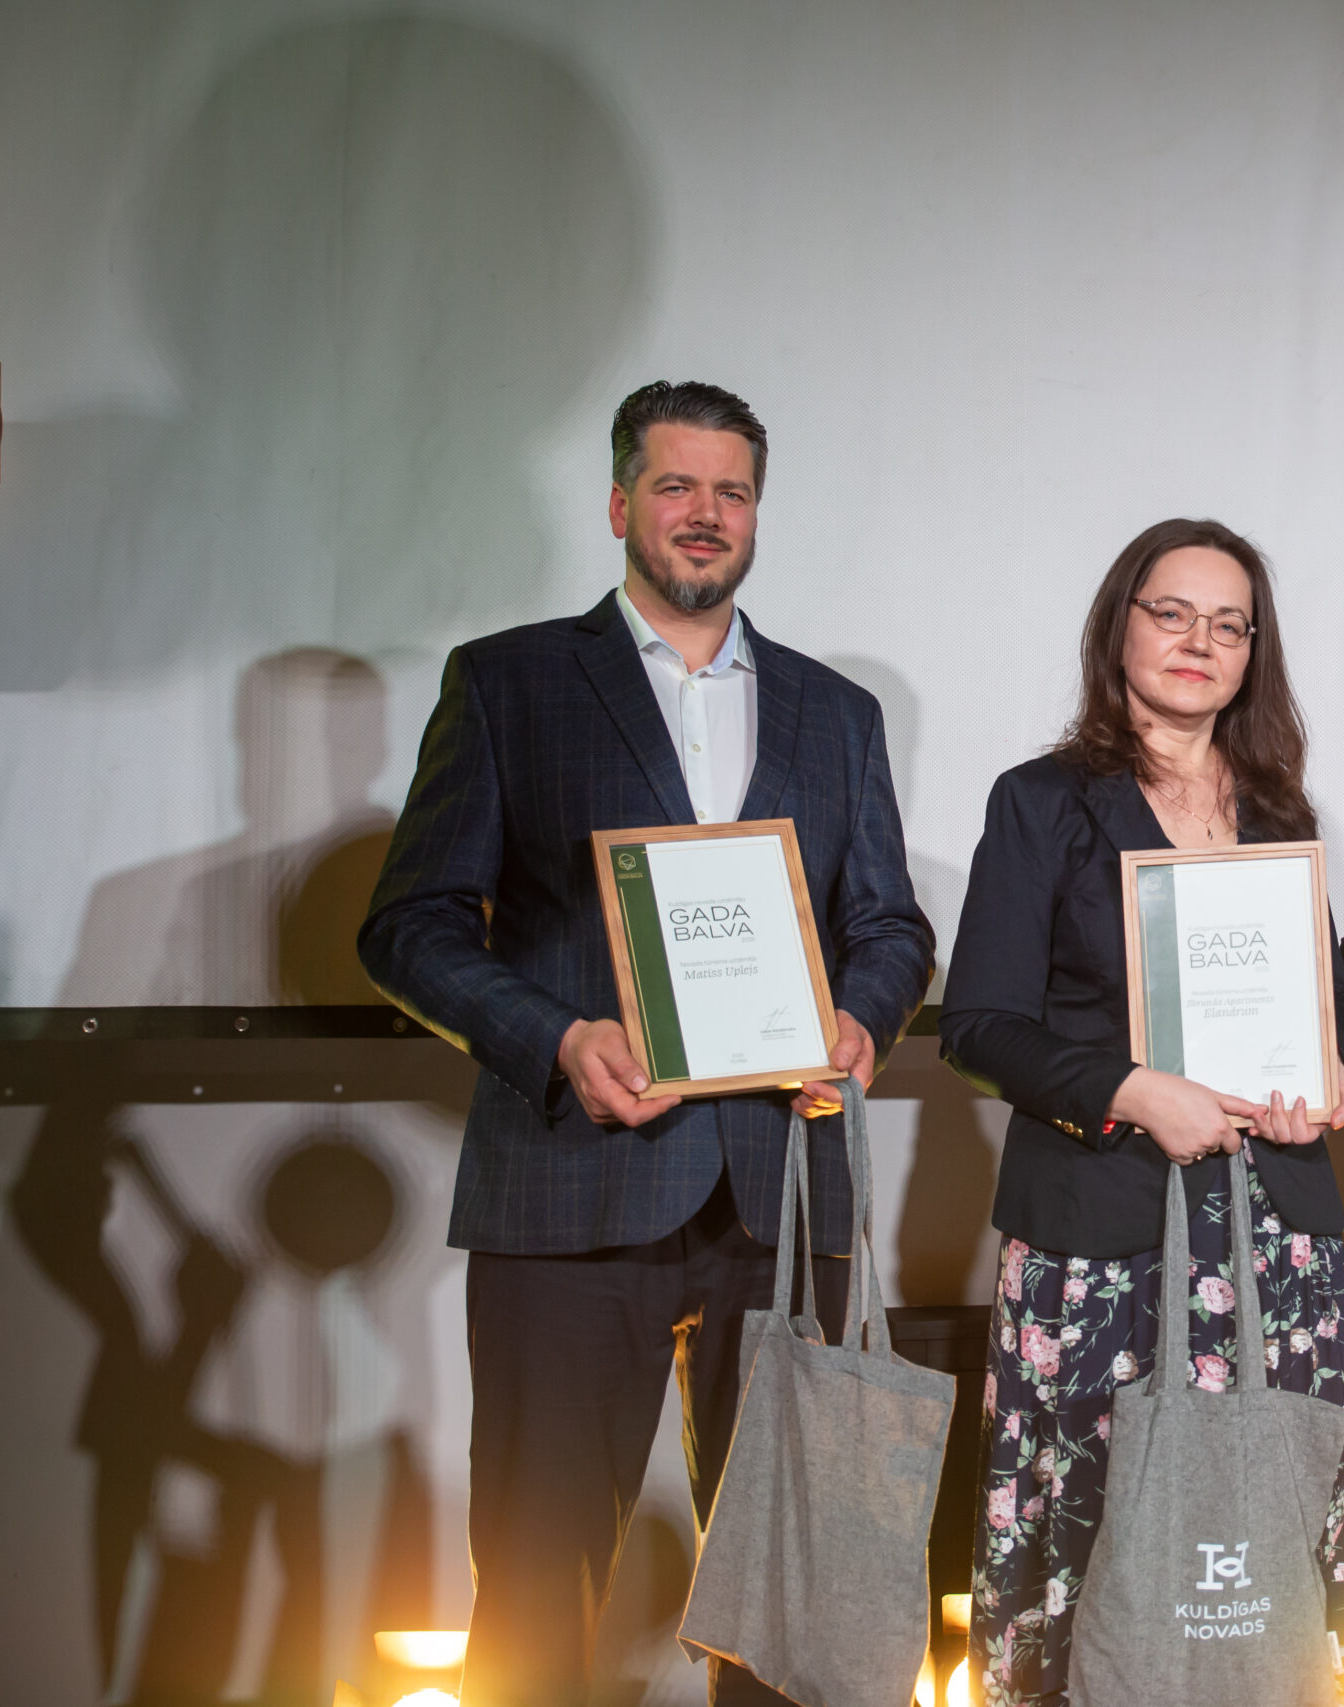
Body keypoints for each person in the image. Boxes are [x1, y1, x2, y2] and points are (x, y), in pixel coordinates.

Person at [358, 381, 935, 1707]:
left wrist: (864, 1016)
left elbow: (889, 924)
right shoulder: (508, 682)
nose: (705, 514)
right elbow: (409, 925)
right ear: (621, 503)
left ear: (757, 517)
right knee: (538, 1582)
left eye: (733, 492)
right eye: (677, 486)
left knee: (794, 1590)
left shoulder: (834, 712)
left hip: (783, 1196)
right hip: (572, 1182)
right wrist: (559, 1037)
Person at [940, 517, 1344, 1705]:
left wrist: (1327, 1078)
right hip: (1103, 1243)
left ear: (1252, 653)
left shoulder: (1279, 811)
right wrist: (1133, 1093)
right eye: (1172, 613)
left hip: (1272, 1241)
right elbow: (977, 1025)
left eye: (1229, 624)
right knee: (1099, 1561)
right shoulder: (1042, 802)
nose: (1200, 641)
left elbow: (1326, 1017)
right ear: (1119, 626)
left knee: (1259, 1571)